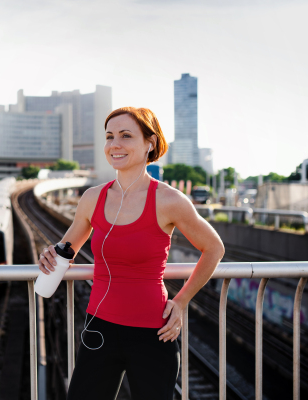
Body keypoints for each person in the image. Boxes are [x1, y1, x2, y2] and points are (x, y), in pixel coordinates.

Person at [38, 107, 225, 400]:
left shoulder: (169, 200)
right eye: (110, 136)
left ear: (149, 142)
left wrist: (182, 301)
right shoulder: (92, 198)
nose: (115, 144)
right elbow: (67, 248)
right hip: (98, 328)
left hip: (153, 333)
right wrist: (50, 255)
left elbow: (214, 248)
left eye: (126, 136)